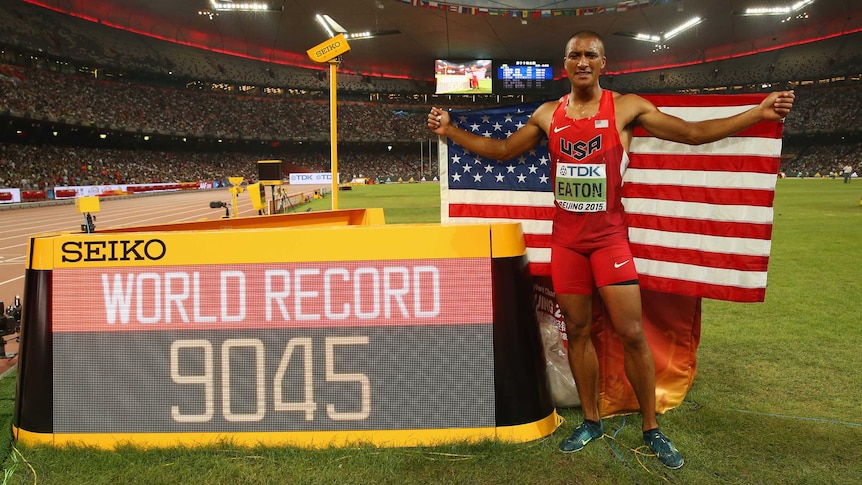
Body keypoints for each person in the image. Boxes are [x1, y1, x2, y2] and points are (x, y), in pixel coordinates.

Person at [427, 30, 795, 470]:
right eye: (575, 54)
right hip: (566, 243)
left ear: (604, 63)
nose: (582, 61)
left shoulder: (626, 107)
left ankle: (651, 428)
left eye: (591, 55)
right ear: (565, 64)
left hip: (608, 241)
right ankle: (590, 421)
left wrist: (756, 113)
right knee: (578, 332)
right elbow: (504, 150)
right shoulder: (548, 114)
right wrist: (451, 130)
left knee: (632, 334)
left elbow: (694, 134)